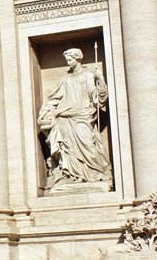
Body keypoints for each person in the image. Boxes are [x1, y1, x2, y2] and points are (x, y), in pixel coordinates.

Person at [37, 48, 111, 189]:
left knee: (88, 144)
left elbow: (96, 97)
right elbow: (55, 97)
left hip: (82, 115)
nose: (68, 62)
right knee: (67, 147)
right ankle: (71, 174)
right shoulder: (66, 78)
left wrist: (100, 78)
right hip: (65, 117)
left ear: (78, 58)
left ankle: (95, 172)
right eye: (67, 60)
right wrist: (47, 110)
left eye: (70, 60)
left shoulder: (88, 75)